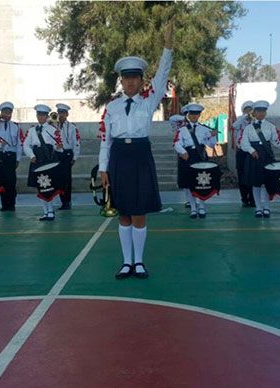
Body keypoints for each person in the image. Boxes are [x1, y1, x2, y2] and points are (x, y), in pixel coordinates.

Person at [99, 21, 174, 280]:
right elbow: (105, 140)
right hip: (119, 156)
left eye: (135, 78)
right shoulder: (112, 107)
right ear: (121, 81)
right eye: (126, 78)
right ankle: (126, 262)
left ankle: (139, 262)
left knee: (139, 211)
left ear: (142, 81)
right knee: (123, 212)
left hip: (141, 156)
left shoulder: (149, 101)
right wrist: (103, 168)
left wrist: (167, 48)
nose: (131, 82)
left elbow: (163, 76)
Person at [240, 100, 280, 218]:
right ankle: (258, 207)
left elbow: (276, 141)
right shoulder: (248, 128)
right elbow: (243, 143)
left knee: (267, 183)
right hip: (254, 156)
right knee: (256, 183)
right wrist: (251, 151)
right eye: (259, 111)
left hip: (267, 156)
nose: (261, 114)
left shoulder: (270, 126)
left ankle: (267, 207)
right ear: (254, 112)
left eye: (263, 111)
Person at [173, 103, 218, 218]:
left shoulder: (205, 129)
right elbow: (176, 142)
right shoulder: (182, 130)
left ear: (199, 115)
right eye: (191, 114)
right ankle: (193, 207)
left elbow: (211, 145)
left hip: (200, 156)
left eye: (196, 114)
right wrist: (182, 152)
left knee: (202, 182)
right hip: (187, 156)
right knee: (188, 183)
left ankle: (202, 206)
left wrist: (213, 135)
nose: (194, 116)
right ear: (188, 115)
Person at [23, 104, 64, 221]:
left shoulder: (53, 130)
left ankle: (51, 211)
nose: (40, 117)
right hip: (37, 159)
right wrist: (31, 155)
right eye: (39, 115)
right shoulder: (31, 130)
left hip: (48, 159)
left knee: (48, 186)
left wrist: (58, 147)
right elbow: (26, 145)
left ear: (47, 116)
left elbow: (59, 148)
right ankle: (45, 211)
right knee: (40, 186)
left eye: (43, 115)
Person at [0, 101, 23, 212]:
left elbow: (20, 143)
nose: (7, 114)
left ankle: (11, 204)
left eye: (8, 112)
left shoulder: (16, 126)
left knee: (11, 181)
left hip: (11, 156)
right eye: (4, 112)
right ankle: (4, 204)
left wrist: (18, 159)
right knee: (1, 181)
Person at [55, 103, 81, 210]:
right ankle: (61, 200)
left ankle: (67, 201)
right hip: (56, 154)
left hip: (67, 154)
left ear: (67, 114)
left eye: (62, 113)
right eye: (59, 113)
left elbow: (76, 143)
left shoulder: (72, 127)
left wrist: (74, 157)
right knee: (58, 179)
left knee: (66, 179)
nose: (60, 115)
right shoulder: (52, 126)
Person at [232, 100, 255, 207]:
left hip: (253, 151)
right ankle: (244, 198)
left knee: (252, 175)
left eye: (251, 110)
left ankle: (253, 198)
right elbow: (234, 125)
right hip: (242, 152)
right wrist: (245, 116)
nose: (249, 112)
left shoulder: (255, 122)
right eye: (247, 110)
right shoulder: (240, 122)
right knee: (242, 176)